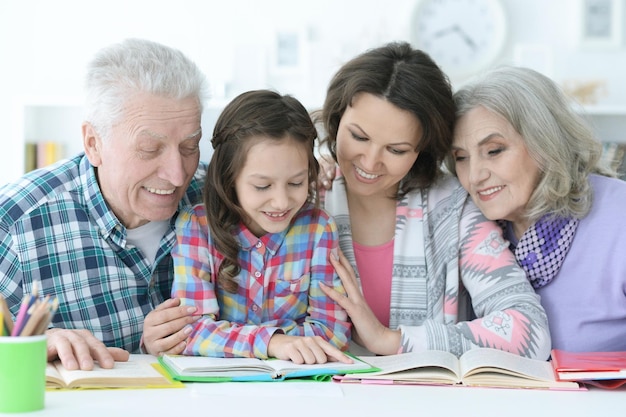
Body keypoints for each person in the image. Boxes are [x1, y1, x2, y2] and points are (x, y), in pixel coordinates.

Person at [316, 41, 551, 359]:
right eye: (359, 137)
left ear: (422, 150)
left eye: (396, 150)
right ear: (337, 119)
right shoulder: (306, 195)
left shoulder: (452, 209)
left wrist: (392, 341)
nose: (370, 163)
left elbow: (530, 332)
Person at [0, 38, 208, 370]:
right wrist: (34, 345)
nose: (177, 173)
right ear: (94, 144)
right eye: (149, 149)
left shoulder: (222, 198)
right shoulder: (14, 222)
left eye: (189, 146)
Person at [156, 90, 351, 364]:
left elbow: (334, 332)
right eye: (262, 186)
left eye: (296, 182)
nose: (282, 201)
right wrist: (274, 342)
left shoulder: (318, 230)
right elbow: (191, 331)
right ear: (229, 178)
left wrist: (229, 337)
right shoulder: (197, 227)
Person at [449, 66, 626, 352]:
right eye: (461, 157)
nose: (474, 176)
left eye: (494, 151)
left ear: (545, 143)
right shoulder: (467, 230)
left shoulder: (619, 218)